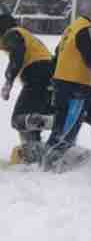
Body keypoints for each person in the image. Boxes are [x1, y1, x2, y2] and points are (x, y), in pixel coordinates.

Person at [43, 0, 91, 171]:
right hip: (74, 90)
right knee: (64, 134)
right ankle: (48, 169)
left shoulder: (73, 27)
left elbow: (56, 56)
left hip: (78, 88)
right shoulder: (87, 29)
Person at [1, 10, 55, 165]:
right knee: (31, 118)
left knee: (18, 119)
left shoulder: (12, 34)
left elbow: (17, 55)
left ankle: (56, 123)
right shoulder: (25, 35)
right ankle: (34, 150)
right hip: (50, 76)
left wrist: (8, 81)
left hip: (37, 75)